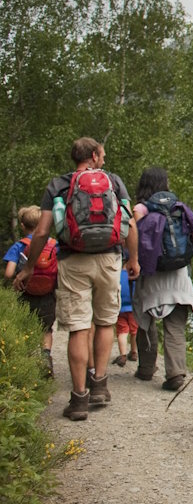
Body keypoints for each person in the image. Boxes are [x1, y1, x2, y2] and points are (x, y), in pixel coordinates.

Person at [15, 137, 139, 420]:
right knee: (106, 321)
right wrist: (133, 260)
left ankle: (79, 398)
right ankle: (100, 384)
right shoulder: (114, 181)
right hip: (109, 258)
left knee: (79, 327)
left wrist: (30, 266)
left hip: (72, 260)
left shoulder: (58, 184)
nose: (104, 160)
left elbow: (43, 231)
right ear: (93, 156)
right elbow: (130, 223)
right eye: (103, 155)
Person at [130, 166, 193, 390]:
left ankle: (146, 368)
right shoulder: (178, 208)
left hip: (152, 275)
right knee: (175, 327)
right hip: (180, 276)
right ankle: (175, 374)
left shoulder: (140, 210)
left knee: (145, 323)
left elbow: (134, 239)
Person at [4, 205, 58, 377]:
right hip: (48, 294)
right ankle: (45, 358)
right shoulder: (53, 245)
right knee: (46, 329)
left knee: (27, 327)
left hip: (25, 294)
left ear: (22, 226)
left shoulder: (19, 246)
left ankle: (28, 364)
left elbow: (9, 273)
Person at [113, 262, 137, 367]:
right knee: (134, 331)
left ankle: (122, 355)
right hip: (133, 308)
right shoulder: (133, 274)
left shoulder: (116, 274)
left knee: (122, 331)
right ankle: (134, 352)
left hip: (120, 308)